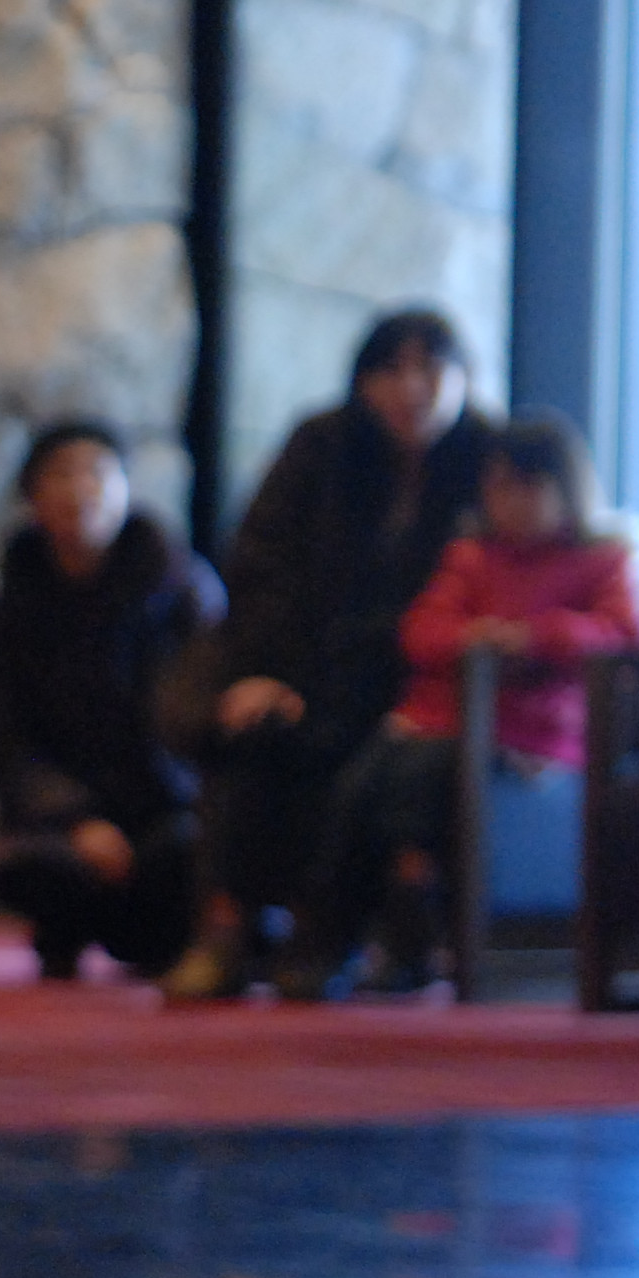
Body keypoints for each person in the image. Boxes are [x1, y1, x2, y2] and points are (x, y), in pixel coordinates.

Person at [170, 309, 500, 999]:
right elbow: (260, 569)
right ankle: (226, 931)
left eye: (430, 368)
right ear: (362, 381)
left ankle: (328, 938)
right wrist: (270, 675)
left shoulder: (491, 459)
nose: (411, 388)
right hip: (309, 667)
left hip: (426, 684)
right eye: (391, 370)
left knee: (368, 758)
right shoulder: (320, 446)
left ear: (464, 378)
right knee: (252, 731)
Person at [288, 411, 639, 995]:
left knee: (424, 780)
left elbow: (625, 634)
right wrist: (475, 638)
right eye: (500, 487)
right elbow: (420, 631)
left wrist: (535, 637)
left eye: (528, 486)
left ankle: (409, 923)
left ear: (567, 488)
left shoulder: (603, 560)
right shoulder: (472, 557)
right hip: (434, 724)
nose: (512, 503)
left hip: (532, 739)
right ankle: (331, 944)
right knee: (355, 789)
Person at [0, 420, 223, 980]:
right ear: (33, 497)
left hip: (164, 806)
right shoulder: (10, 611)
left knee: (183, 854)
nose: (80, 489)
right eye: (61, 474)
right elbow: (7, 737)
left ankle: (146, 933)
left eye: (97, 473)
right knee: (28, 867)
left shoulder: (182, 590)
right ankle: (75, 925)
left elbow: (196, 718)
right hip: (66, 820)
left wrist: (149, 813)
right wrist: (77, 818)